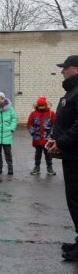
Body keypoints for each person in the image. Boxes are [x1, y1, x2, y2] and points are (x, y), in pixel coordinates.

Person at [46, 56, 78, 260]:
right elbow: (64, 121)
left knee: (76, 199)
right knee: (73, 199)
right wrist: (54, 139)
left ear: (76, 69)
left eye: (65, 68)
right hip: (71, 154)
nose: (62, 71)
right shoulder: (71, 91)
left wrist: (61, 142)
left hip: (76, 154)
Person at [27, 97, 56, 175]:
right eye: (40, 106)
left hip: (48, 139)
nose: (41, 107)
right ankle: (37, 167)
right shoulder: (33, 114)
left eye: (42, 105)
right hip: (37, 139)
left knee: (48, 154)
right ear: (37, 106)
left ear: (45, 105)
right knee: (38, 154)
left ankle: (50, 168)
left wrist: (51, 135)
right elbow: (29, 124)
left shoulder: (51, 113)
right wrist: (33, 133)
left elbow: (54, 125)